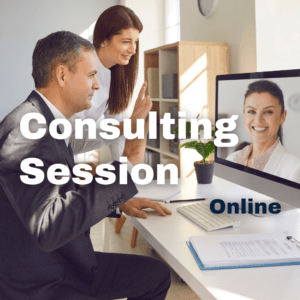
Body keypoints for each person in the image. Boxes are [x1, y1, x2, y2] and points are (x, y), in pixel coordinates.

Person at [0, 31, 171, 300]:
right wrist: (126, 164)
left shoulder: (45, 121)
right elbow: (48, 226)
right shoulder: (26, 132)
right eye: (91, 75)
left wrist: (118, 201)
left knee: (156, 275)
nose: (96, 86)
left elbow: (56, 194)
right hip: (42, 283)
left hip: (62, 262)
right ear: (62, 75)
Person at [70, 5, 147, 159]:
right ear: (104, 40)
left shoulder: (115, 74)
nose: (133, 50)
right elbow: (73, 140)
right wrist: (126, 126)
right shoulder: (79, 71)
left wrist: (124, 169)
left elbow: (115, 129)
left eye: (135, 42)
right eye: (126, 42)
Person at [226, 80, 300, 183]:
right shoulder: (231, 159)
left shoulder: (295, 169)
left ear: (282, 117)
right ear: (244, 115)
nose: (258, 120)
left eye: (268, 112)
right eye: (251, 111)